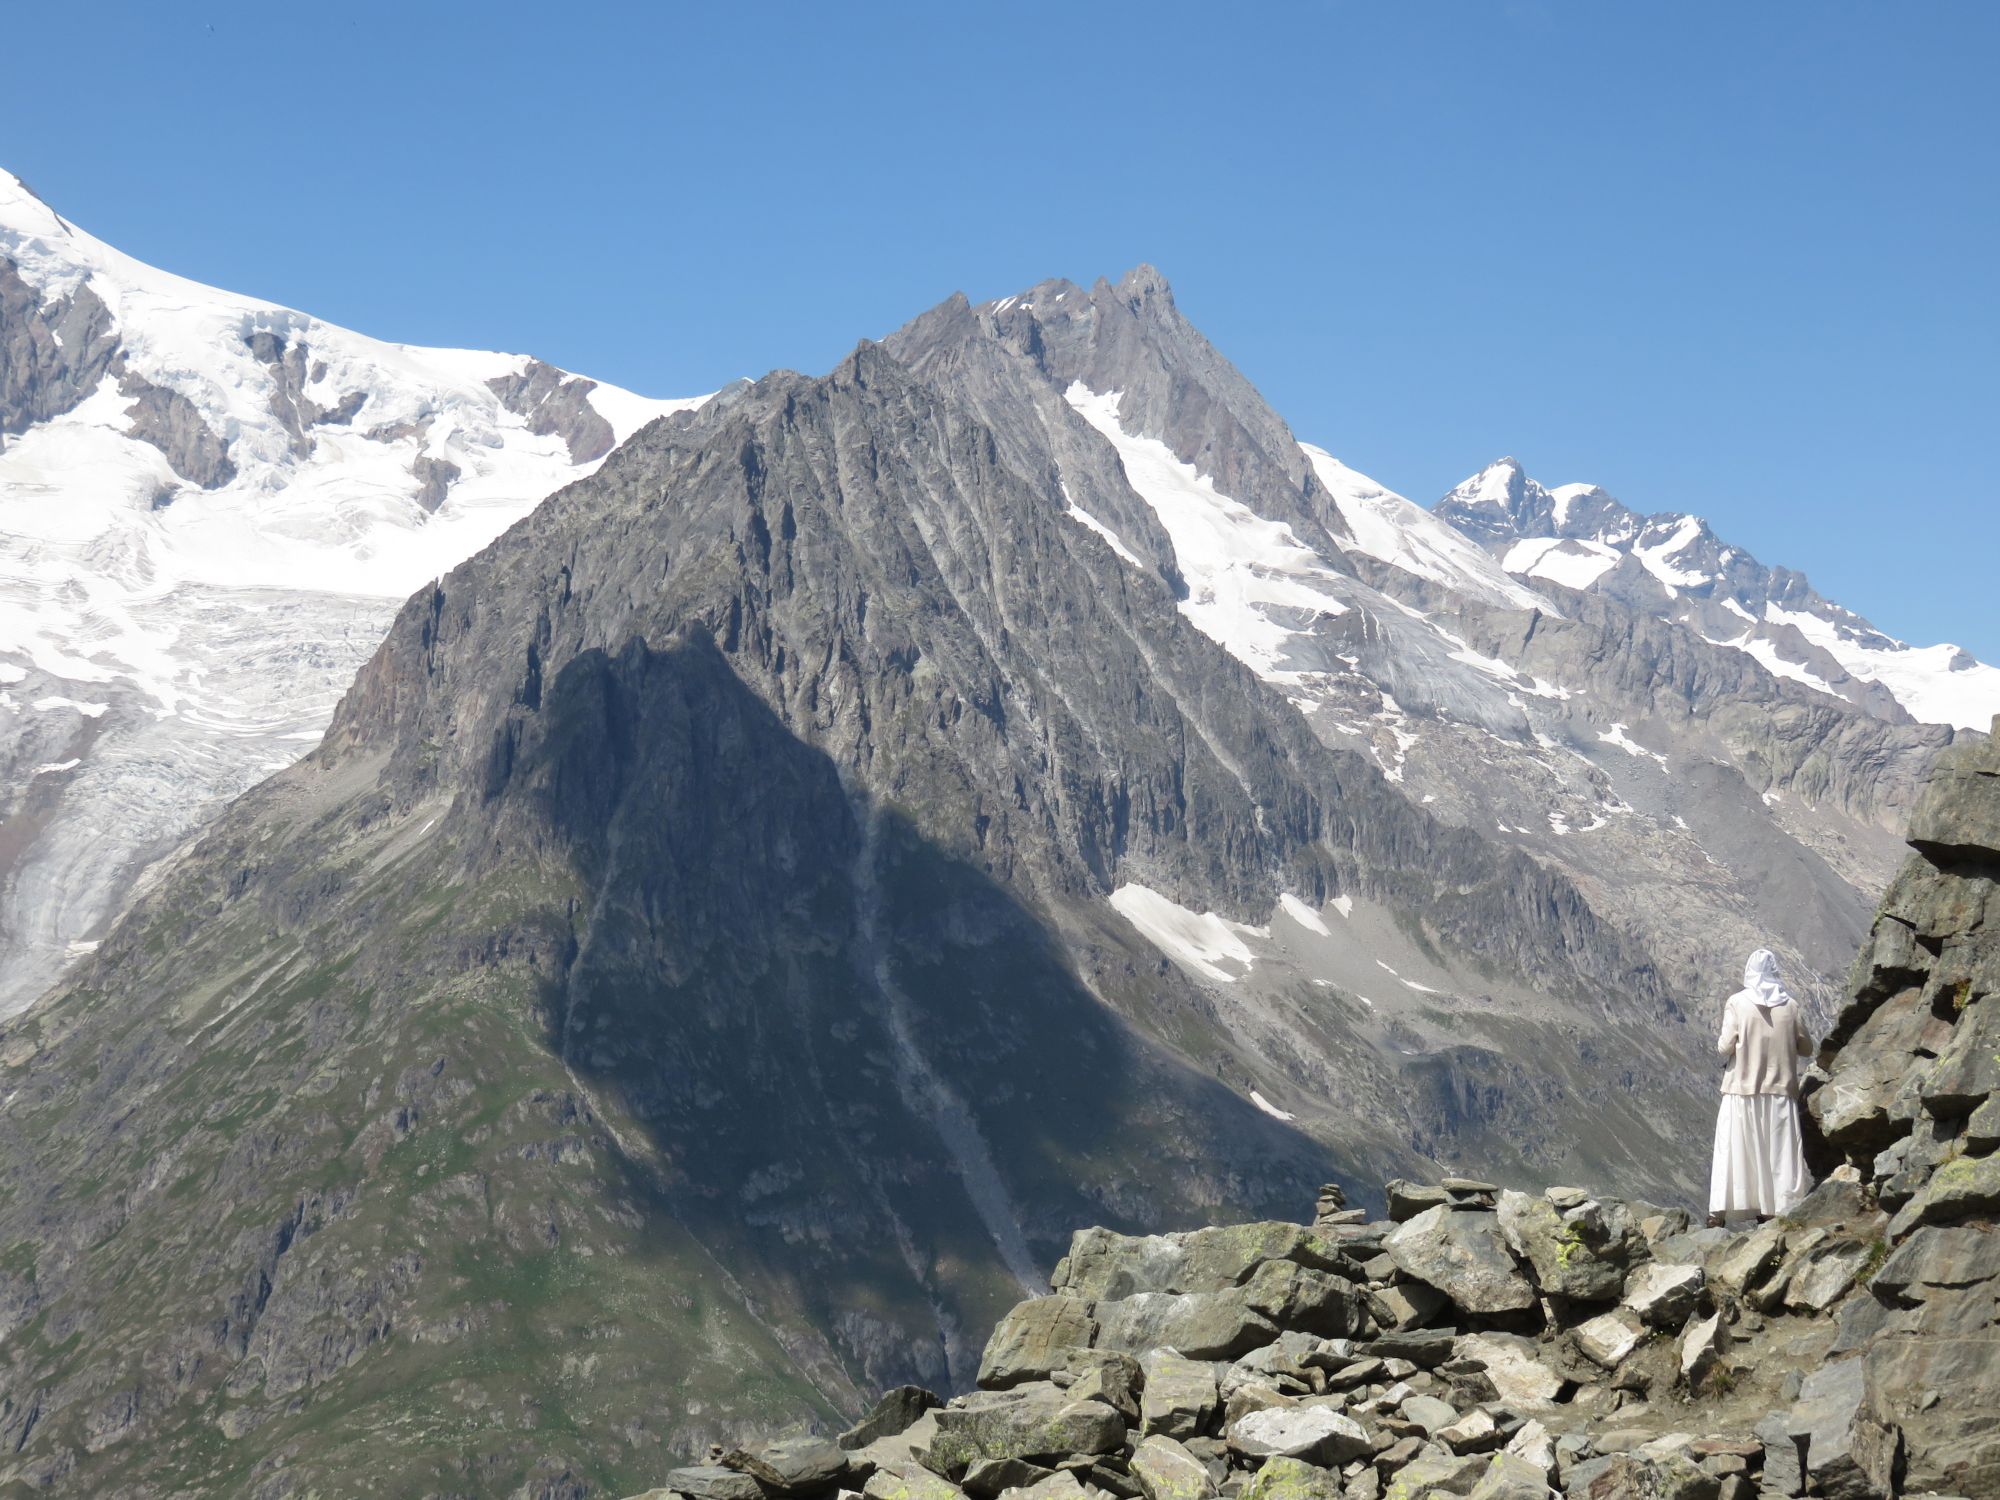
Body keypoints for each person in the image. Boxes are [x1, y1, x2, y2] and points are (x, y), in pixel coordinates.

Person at [1707, 948, 1814, 1228]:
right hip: (1780, 1091)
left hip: (1742, 1090)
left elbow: (1724, 1047)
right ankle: (1775, 1209)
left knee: (1737, 1150)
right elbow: (1806, 1047)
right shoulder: (1790, 1006)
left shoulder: (1738, 1003)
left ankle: (1719, 1212)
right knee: (1778, 1153)